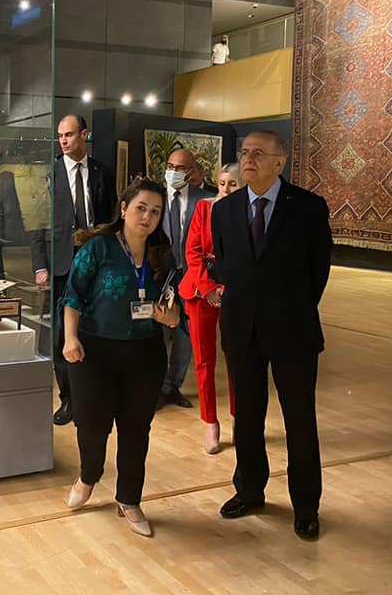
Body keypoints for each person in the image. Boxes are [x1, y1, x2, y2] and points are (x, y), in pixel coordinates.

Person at [211, 130, 332, 540]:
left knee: (299, 420)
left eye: (258, 153)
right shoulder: (224, 210)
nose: (248, 159)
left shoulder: (308, 208)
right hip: (241, 329)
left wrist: (290, 309)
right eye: (244, 152)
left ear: (280, 162)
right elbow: (226, 266)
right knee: (247, 416)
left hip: (293, 330)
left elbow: (318, 271)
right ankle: (249, 491)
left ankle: (306, 506)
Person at [62, 178, 179, 537]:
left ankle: (129, 499)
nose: (147, 217)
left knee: (136, 429)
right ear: (124, 208)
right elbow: (73, 296)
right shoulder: (98, 248)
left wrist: (170, 317)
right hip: (94, 351)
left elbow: (175, 311)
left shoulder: (163, 255)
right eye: (141, 208)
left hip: (144, 352)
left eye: (155, 211)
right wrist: (70, 338)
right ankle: (89, 475)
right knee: (92, 423)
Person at [32, 115, 116, 426]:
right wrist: (40, 265)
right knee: (60, 334)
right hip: (60, 264)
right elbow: (37, 223)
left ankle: (94, 393)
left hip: (96, 262)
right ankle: (68, 398)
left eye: (69, 135)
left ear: (84, 135)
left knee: (95, 327)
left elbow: (111, 220)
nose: (64, 141)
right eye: (60, 136)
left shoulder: (102, 173)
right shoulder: (49, 174)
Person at [179, 164, 242, 455]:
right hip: (199, 292)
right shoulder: (203, 209)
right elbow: (192, 251)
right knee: (204, 361)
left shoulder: (246, 213)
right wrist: (207, 288)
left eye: (233, 184)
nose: (226, 189)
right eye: (222, 183)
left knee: (236, 359)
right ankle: (210, 423)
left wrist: (226, 290)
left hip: (233, 293)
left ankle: (239, 418)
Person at [156, 147, 207, 409]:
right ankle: (156, 386)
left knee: (186, 334)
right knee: (159, 333)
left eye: (180, 168)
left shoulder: (204, 200)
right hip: (160, 275)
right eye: (170, 167)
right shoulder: (155, 197)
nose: (173, 172)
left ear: (191, 171)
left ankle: (173, 386)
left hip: (191, 276)